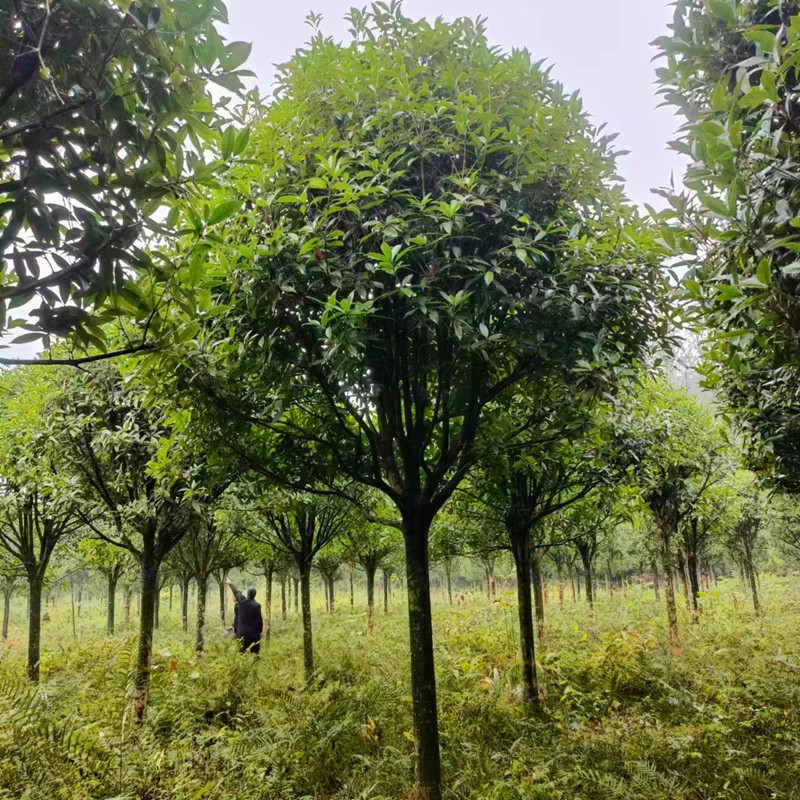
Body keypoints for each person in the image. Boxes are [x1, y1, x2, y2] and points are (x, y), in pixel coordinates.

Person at [226, 577, 263, 654]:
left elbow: (236, 592)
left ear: (247, 593)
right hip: (253, 636)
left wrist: (230, 583)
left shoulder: (242, 602)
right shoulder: (257, 606)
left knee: (241, 654)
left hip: (241, 635)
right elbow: (259, 622)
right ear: (255, 595)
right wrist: (259, 632)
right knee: (255, 654)